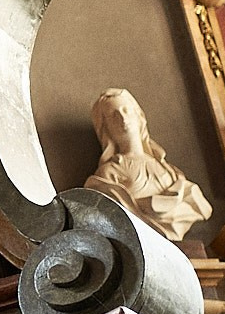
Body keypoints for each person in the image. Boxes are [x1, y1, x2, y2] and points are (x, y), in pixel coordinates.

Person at [83, 88, 211, 242]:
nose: (123, 118)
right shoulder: (109, 173)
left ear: (138, 115)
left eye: (126, 110)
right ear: (106, 129)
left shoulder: (168, 169)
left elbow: (194, 200)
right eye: (113, 116)